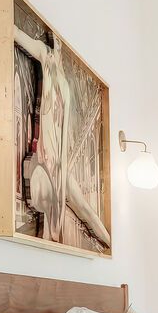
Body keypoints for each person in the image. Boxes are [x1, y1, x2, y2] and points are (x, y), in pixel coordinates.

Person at [14, 26, 109, 247]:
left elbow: (64, 128)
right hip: (49, 155)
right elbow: (17, 35)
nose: (57, 39)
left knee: (83, 208)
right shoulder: (46, 56)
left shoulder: (61, 74)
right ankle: (107, 244)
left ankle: (109, 245)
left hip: (57, 159)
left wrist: (62, 165)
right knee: (61, 213)